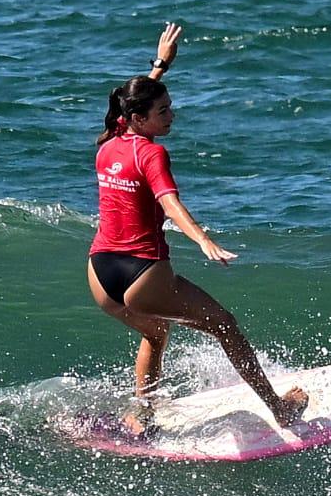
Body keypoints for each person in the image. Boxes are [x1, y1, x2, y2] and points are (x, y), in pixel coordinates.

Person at [87, 22, 308, 436]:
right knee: (225, 325)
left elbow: (129, 105)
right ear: (139, 119)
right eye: (163, 111)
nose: (172, 115)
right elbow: (169, 202)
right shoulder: (151, 154)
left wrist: (160, 65)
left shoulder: (110, 141)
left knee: (155, 331)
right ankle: (279, 408)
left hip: (100, 273)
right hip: (142, 272)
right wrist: (203, 239)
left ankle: (141, 416)